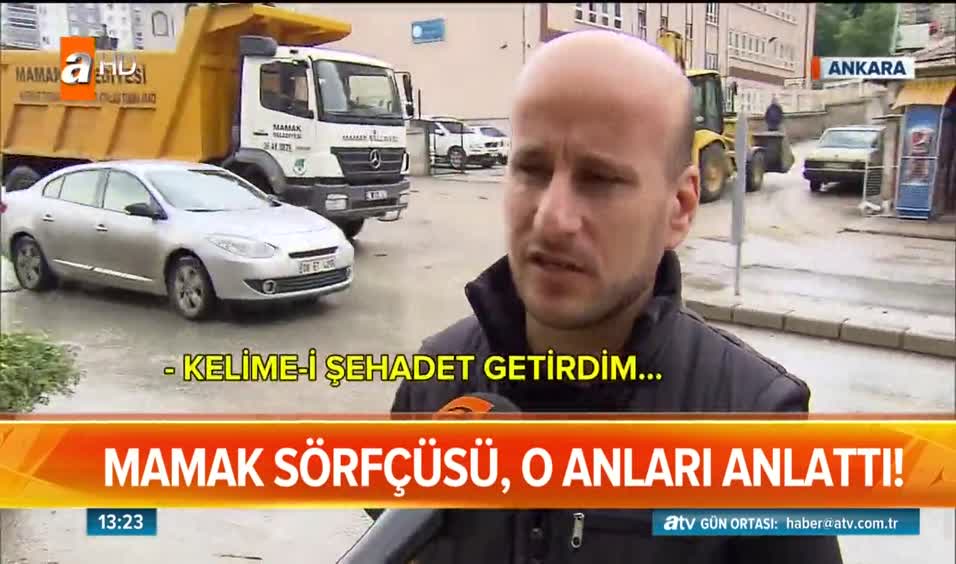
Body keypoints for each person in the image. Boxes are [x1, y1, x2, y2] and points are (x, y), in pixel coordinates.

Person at [381, 30, 843, 563]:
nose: (552, 218)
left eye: (600, 180)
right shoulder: (434, 383)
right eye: (531, 170)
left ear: (680, 207)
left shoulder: (755, 426)